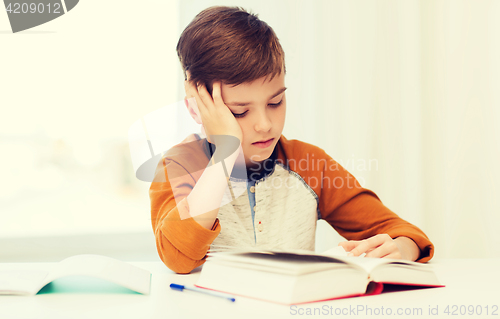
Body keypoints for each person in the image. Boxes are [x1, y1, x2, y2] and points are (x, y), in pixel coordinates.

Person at [149, 6, 434, 274]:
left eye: (275, 102)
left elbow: (405, 233)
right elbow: (177, 257)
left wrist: (401, 248)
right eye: (240, 112)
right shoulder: (178, 166)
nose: (265, 124)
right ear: (196, 107)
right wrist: (226, 149)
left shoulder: (309, 164)